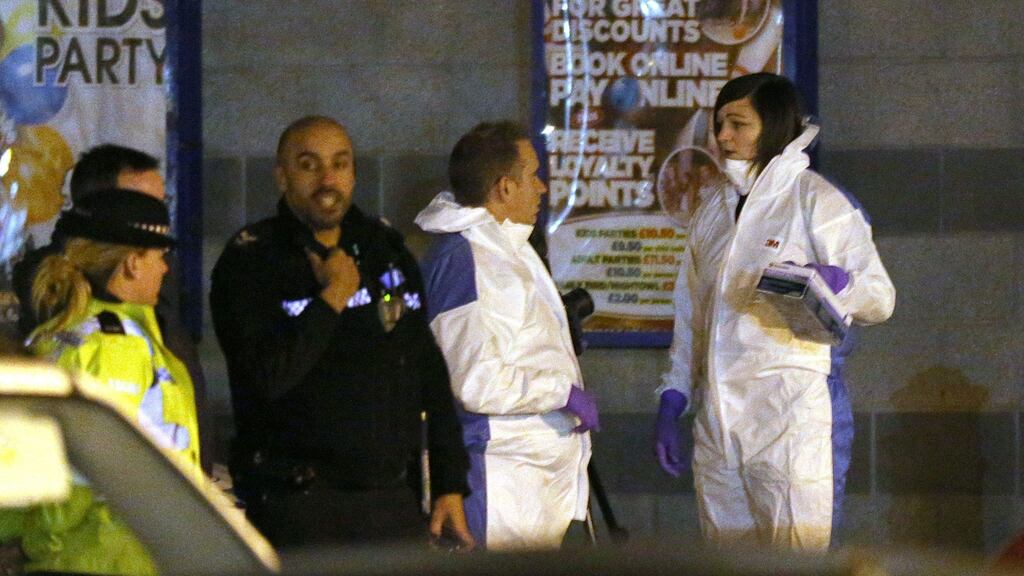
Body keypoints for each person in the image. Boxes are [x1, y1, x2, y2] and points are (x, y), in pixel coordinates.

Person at [653, 73, 896, 550]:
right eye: (720, 124)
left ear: (775, 125)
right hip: (720, 425)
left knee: (798, 562)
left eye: (738, 124)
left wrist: (839, 283)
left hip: (792, 420)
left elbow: (880, 297)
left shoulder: (815, 200)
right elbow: (691, 314)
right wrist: (674, 394)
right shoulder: (712, 210)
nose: (723, 137)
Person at [209, 115, 473, 549]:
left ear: (353, 174)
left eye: (340, 163)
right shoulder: (253, 260)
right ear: (282, 177)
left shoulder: (382, 249)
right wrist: (331, 298)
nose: (327, 179)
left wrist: (449, 481)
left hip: (391, 502)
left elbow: (425, 366)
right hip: (299, 505)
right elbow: (267, 376)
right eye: (309, 165)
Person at [416, 121, 599, 550]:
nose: (542, 188)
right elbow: (475, 382)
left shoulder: (505, 247)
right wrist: (562, 393)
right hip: (492, 480)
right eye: (533, 175)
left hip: (525, 484)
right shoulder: (464, 259)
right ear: (504, 188)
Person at [21, 188, 201, 575]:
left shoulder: (57, 332)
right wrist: (43, 549)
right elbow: (76, 478)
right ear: (133, 263)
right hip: (108, 559)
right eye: (159, 256)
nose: (165, 269)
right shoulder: (114, 347)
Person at [12, 144, 216, 474]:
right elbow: (102, 473)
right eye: (141, 204)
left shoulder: (134, 303)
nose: (164, 266)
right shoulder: (104, 338)